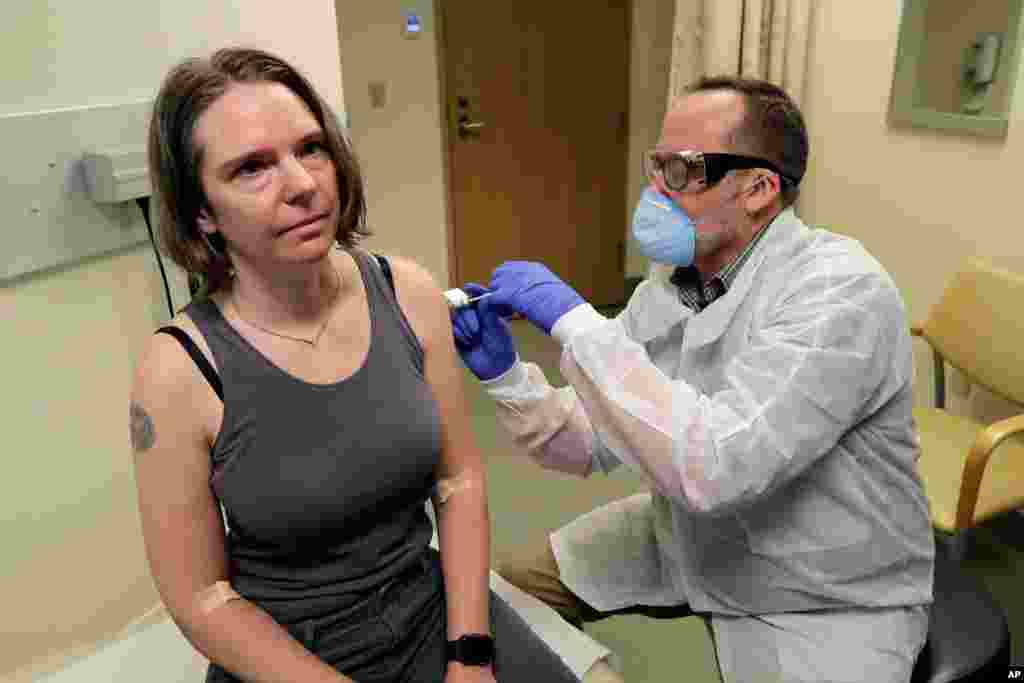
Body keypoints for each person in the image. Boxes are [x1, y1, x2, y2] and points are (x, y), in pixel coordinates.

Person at [129, 47, 621, 683]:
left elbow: (458, 481)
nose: (303, 184)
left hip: (429, 611)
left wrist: (470, 654)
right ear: (201, 212)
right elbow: (202, 597)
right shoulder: (179, 369)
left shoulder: (407, 292)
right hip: (288, 655)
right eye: (252, 168)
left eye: (310, 148)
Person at [451, 77, 935, 682]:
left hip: (823, 588)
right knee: (511, 595)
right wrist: (507, 378)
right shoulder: (673, 283)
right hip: (695, 536)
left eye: (683, 170)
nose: (656, 190)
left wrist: (580, 326)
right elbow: (589, 440)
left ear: (759, 188)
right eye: (657, 166)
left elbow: (718, 466)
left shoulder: (840, 292)